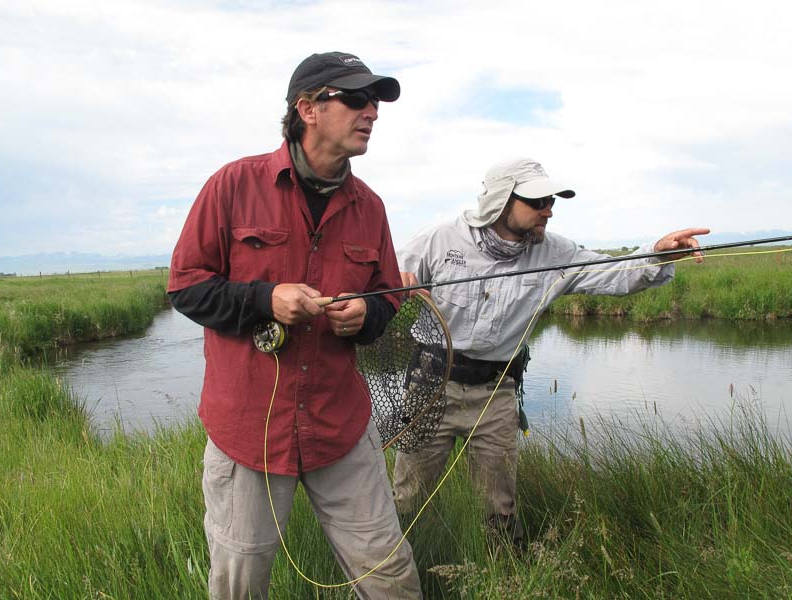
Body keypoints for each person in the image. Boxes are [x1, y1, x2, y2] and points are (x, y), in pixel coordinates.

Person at [167, 51, 422, 600]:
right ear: (306, 108)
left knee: (391, 576)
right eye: (355, 99)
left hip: (341, 426)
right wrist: (266, 299)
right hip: (248, 433)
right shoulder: (232, 185)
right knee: (241, 583)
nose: (371, 112)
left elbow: (387, 299)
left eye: (375, 102)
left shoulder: (370, 208)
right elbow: (185, 285)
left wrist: (367, 314)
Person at [393, 157, 709, 543]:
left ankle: (505, 577)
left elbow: (615, 273)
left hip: (496, 392)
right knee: (406, 500)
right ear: (500, 200)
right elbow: (381, 284)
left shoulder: (556, 253)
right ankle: (394, 575)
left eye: (552, 201)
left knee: (500, 509)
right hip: (429, 385)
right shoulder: (439, 240)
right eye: (538, 201)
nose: (549, 210)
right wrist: (395, 284)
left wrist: (657, 253)